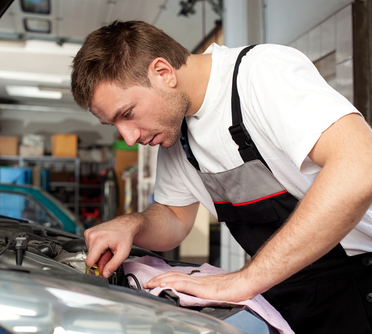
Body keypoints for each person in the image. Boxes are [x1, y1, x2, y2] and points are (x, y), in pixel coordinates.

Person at [70, 20, 372, 334]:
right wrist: (132, 225)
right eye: (114, 125)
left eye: (128, 113)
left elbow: (360, 163)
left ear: (163, 72)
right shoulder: (178, 133)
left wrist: (245, 280)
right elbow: (174, 217)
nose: (128, 138)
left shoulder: (260, 74)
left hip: (359, 282)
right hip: (289, 291)